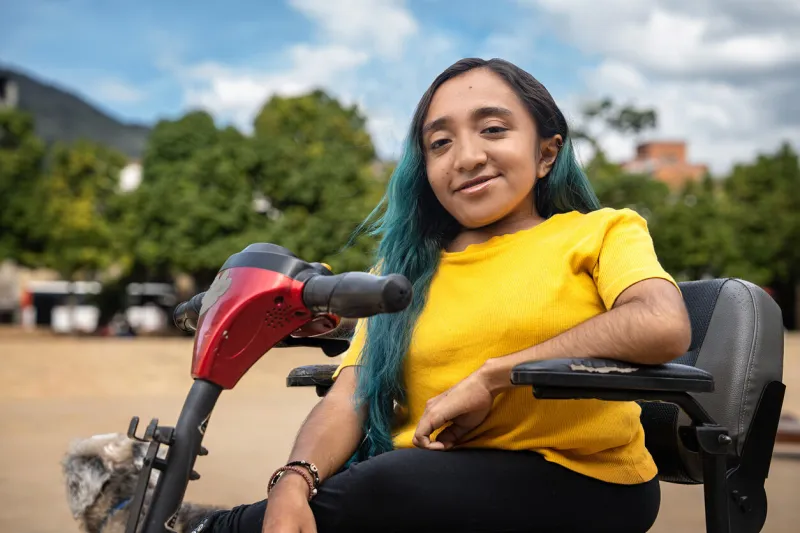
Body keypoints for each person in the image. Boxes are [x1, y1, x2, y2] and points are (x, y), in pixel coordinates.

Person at [193, 57, 691, 533]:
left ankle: (201, 526)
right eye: (440, 143)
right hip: (426, 481)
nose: (467, 157)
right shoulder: (400, 274)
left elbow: (661, 322)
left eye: (493, 129)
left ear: (546, 153)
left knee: (383, 484)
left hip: (587, 478)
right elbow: (351, 394)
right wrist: (295, 480)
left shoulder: (602, 232)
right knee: (323, 500)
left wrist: (494, 377)